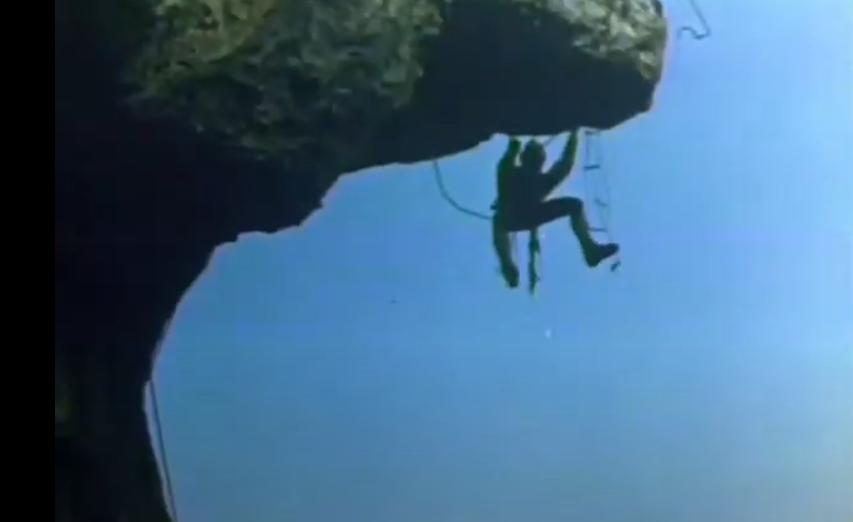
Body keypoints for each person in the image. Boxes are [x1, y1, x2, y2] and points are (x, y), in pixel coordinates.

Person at [491, 130, 619, 288]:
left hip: (518, 215)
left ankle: (590, 250)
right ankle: (506, 263)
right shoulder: (519, 175)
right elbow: (564, 164)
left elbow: (565, 164)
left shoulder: (533, 179)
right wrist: (573, 134)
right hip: (517, 214)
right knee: (499, 220)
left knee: (574, 205)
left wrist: (573, 135)